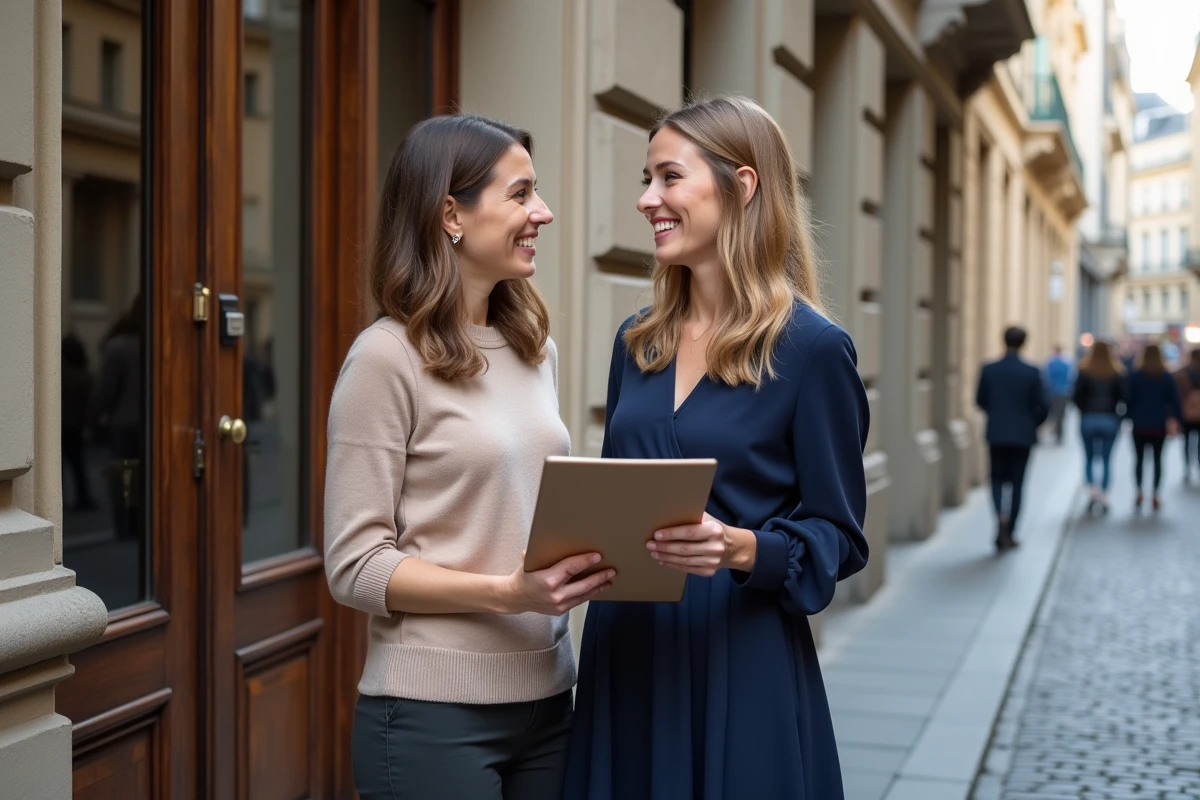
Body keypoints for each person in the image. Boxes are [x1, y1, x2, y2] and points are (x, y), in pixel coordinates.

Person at [565, 96, 870, 800]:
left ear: (742, 185)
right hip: (628, 649)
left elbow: (838, 535)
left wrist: (739, 547)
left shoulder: (814, 350)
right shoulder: (638, 342)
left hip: (739, 657)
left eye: (668, 178)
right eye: (646, 179)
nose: (648, 200)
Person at [322, 115, 615, 800]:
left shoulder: (532, 350)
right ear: (450, 212)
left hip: (549, 701)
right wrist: (506, 593)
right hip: (430, 717)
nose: (541, 212)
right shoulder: (385, 358)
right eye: (520, 195)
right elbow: (354, 565)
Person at [975, 326, 1050, 551]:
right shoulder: (1032, 371)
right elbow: (1044, 406)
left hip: (997, 433)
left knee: (997, 479)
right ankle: (1011, 529)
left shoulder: (989, 369)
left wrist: (997, 416)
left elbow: (980, 400)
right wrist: (1031, 424)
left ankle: (1000, 517)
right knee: (1017, 483)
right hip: (1023, 436)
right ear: (1024, 343)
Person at [1126, 344, 1182, 511]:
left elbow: (1128, 400)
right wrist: (1177, 420)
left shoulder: (1135, 376)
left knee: (1139, 460)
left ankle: (1139, 491)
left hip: (1139, 424)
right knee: (1158, 460)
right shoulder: (1166, 377)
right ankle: (1156, 494)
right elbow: (1175, 402)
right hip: (1159, 424)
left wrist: (1128, 417)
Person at [1073, 340, 1126, 515]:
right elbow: (1123, 397)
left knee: (1089, 458)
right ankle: (1103, 495)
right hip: (1109, 418)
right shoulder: (1116, 371)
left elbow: (1076, 396)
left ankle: (1092, 493)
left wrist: (1085, 410)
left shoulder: (1084, 371)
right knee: (1106, 459)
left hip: (1089, 418)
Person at [1174, 349, 1200, 482]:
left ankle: (1187, 467)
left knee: (1186, 442)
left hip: (1187, 412)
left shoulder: (1183, 372)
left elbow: (1178, 394)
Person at [1044, 344, 1074, 444]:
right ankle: (1059, 434)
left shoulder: (1050, 363)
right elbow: (1072, 378)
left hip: (1051, 392)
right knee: (1061, 415)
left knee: (1051, 413)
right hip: (1063, 392)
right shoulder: (1067, 364)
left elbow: (1046, 378)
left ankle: (1051, 430)